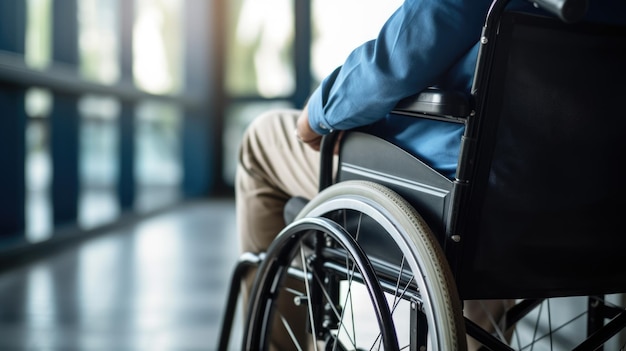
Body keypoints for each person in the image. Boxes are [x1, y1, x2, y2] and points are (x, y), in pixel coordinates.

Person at [236, 0, 626, 349]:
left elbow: (400, 56)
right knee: (494, 183)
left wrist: (319, 112)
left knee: (260, 142)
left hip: (454, 187)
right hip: (587, 203)